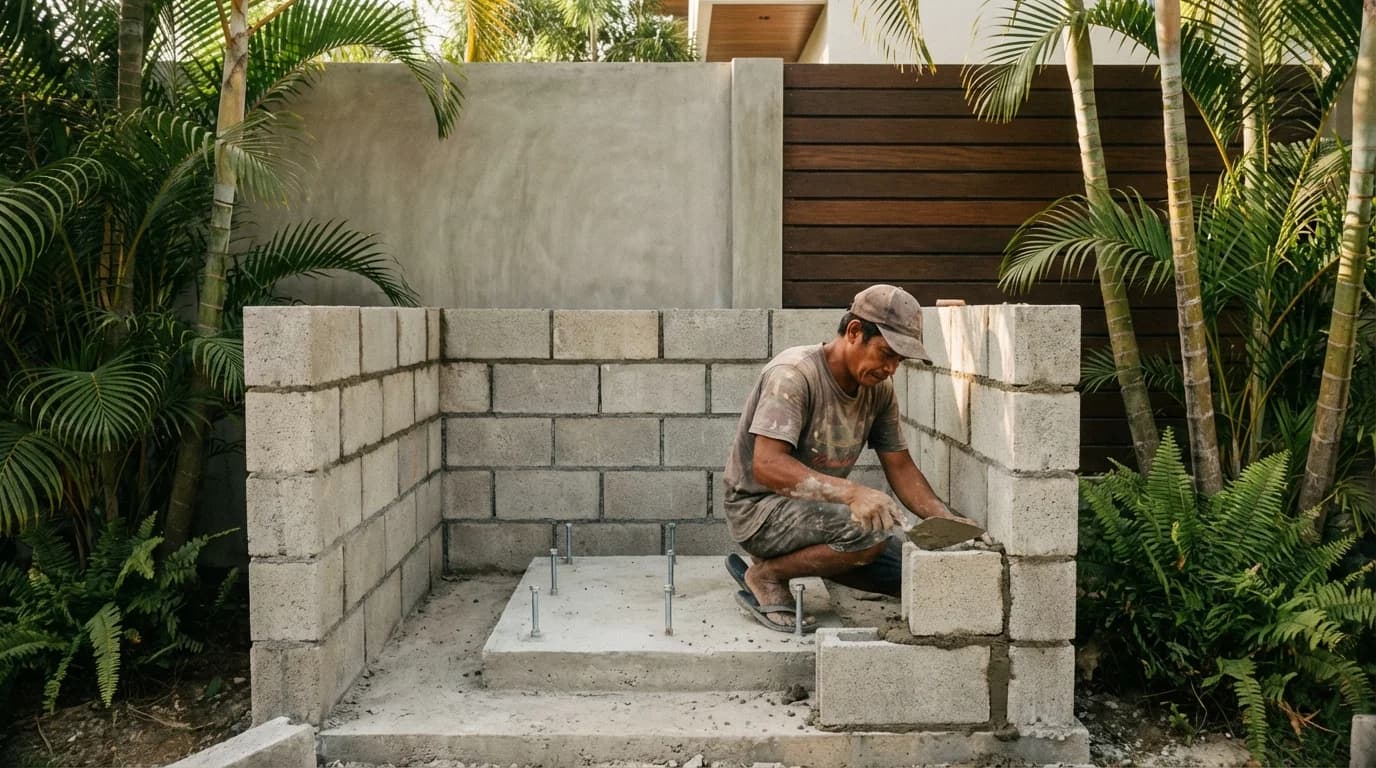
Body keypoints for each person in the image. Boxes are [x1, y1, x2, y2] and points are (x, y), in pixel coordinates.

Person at [721, 284, 973, 632]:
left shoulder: (878, 390)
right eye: (886, 354)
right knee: (865, 535)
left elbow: (899, 465)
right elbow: (767, 466)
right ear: (855, 332)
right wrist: (853, 494)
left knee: (905, 575)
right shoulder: (795, 375)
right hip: (759, 510)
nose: (891, 369)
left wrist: (947, 521)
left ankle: (811, 559)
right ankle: (766, 574)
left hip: (817, 514)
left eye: (899, 360)